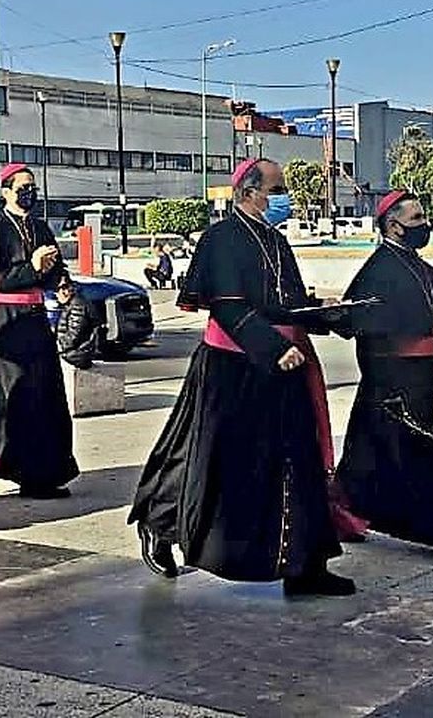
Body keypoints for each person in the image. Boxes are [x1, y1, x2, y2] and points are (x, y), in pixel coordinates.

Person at [129, 158, 356, 596]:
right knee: (206, 460)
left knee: (298, 458)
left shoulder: (275, 240)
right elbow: (229, 307)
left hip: (284, 364)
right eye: (278, 189)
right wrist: (273, 348)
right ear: (250, 193)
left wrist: (328, 314)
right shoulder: (221, 239)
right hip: (233, 366)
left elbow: (284, 303)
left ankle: (305, 566)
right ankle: (160, 523)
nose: (285, 197)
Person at [336, 191, 433, 565]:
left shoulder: (413, 263)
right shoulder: (379, 270)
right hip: (392, 382)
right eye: (418, 219)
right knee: (418, 456)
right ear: (394, 226)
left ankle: (339, 513)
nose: (426, 225)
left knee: (365, 455)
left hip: (420, 377)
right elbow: (361, 325)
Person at [0, 163, 79, 498]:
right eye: (23, 187)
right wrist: (31, 266)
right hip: (6, 319)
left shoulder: (40, 227)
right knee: (12, 395)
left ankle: (41, 476)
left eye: (33, 187)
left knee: (45, 394)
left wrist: (61, 284)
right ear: (6, 192)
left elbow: (54, 270)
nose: (29, 193)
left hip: (35, 317)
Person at [55, 276, 101, 370]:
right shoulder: (71, 304)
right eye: (57, 290)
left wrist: (58, 346)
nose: (61, 293)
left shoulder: (78, 305)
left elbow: (75, 333)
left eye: (64, 287)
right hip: (75, 352)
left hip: (77, 354)